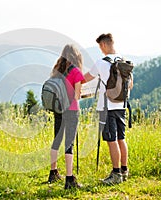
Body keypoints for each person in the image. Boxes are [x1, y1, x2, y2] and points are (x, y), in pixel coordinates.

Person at [84, 33, 132, 185]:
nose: (100, 50)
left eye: (100, 47)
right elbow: (130, 85)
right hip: (122, 106)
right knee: (121, 138)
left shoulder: (101, 63)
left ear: (104, 45)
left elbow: (85, 78)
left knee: (111, 140)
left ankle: (116, 174)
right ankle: (124, 170)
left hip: (106, 107)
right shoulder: (124, 62)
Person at [48, 44, 85, 189]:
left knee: (56, 140)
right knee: (69, 144)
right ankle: (69, 179)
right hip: (71, 110)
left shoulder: (57, 69)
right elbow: (76, 96)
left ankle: (53, 172)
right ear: (76, 56)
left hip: (58, 110)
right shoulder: (75, 72)